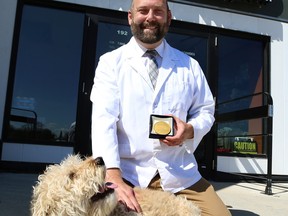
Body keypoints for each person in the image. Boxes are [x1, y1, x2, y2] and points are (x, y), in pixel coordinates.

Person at [90, 0, 231, 215]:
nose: (150, 17)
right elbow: (103, 121)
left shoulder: (189, 66)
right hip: (128, 172)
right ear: (130, 17)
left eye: (158, 11)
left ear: (168, 18)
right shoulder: (111, 63)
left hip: (180, 173)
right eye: (143, 11)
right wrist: (113, 176)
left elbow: (206, 110)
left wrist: (189, 130)